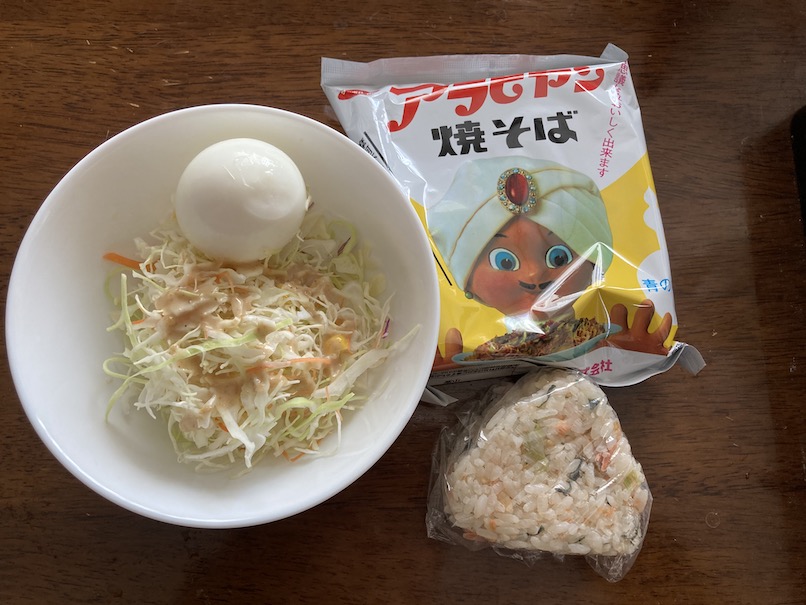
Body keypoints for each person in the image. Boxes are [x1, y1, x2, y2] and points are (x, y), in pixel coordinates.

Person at [427, 156, 671, 368]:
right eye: (505, 261)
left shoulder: (598, 337)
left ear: (595, 265)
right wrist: (449, 373)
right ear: (468, 282)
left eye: (558, 257)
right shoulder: (486, 354)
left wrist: (632, 355)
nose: (533, 274)